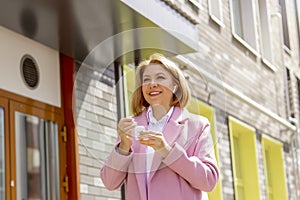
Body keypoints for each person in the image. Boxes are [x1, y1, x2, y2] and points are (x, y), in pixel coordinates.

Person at [100, 53, 219, 200]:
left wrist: (167, 151)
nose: (152, 84)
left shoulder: (197, 126)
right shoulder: (130, 127)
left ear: (175, 86)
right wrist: (123, 146)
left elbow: (209, 181)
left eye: (160, 77)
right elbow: (109, 182)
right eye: (146, 80)